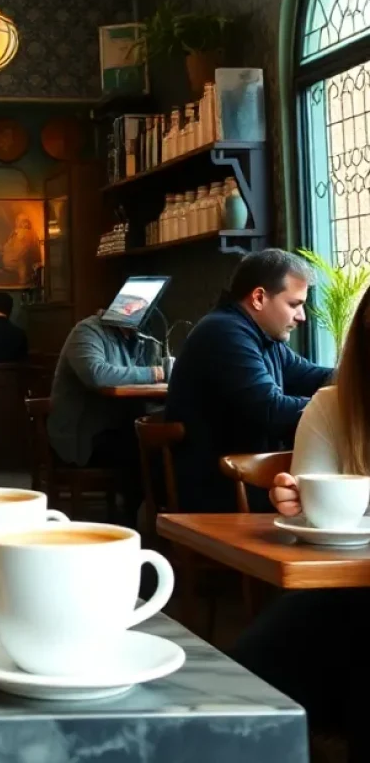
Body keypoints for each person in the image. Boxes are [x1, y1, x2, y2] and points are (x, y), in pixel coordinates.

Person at [230, 284, 370, 758]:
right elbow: (318, 518)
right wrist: (296, 500)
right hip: (342, 590)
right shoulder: (333, 406)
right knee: (247, 681)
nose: (301, 317)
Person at [166, 249, 333, 512]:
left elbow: (314, 377)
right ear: (258, 298)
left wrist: (356, 377)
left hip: (249, 486)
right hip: (222, 497)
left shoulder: (262, 337)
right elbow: (270, 410)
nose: (301, 316)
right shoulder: (224, 332)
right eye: (294, 304)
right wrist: (339, 409)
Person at [47, 309, 163, 523]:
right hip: (83, 436)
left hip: (116, 426)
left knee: (161, 445)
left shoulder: (135, 337)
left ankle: (153, 520)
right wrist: (155, 373)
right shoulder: (87, 331)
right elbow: (97, 374)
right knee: (143, 450)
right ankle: (131, 522)